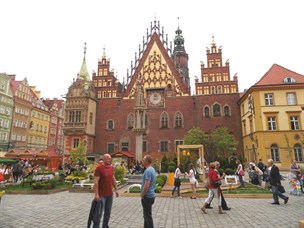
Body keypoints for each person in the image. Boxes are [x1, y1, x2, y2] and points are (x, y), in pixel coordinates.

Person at [92, 154, 119, 228]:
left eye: (110, 159)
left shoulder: (111, 167)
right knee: (98, 214)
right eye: (108, 159)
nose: (110, 160)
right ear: (103, 159)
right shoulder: (99, 168)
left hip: (110, 195)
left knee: (107, 213)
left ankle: (105, 226)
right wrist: (96, 194)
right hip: (101, 195)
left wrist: (116, 189)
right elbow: (96, 182)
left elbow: (113, 178)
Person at [141, 155, 156, 228]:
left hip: (147, 196)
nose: (142, 161)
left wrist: (143, 195)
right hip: (151, 195)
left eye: (143, 159)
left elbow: (147, 185)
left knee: (148, 216)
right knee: (146, 216)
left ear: (147, 161)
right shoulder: (152, 169)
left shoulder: (147, 171)